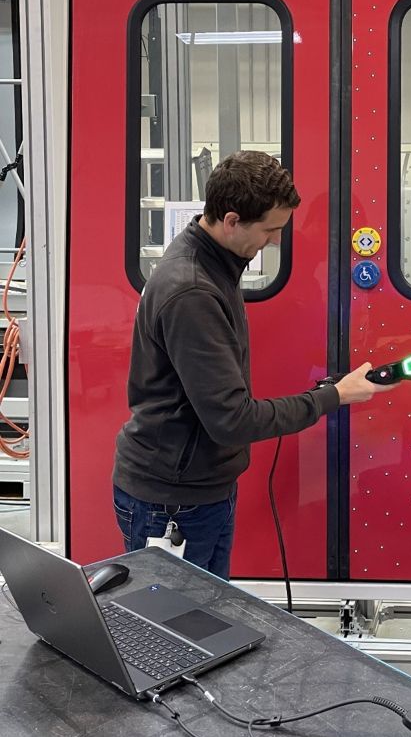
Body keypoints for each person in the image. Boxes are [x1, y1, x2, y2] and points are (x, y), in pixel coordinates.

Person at [113, 150, 388, 579]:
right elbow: (232, 421)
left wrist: (325, 389)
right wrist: (334, 397)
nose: (276, 240)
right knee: (175, 633)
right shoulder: (192, 292)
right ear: (232, 220)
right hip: (172, 500)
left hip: (200, 489)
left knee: (204, 622)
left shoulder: (214, 263)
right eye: (271, 229)